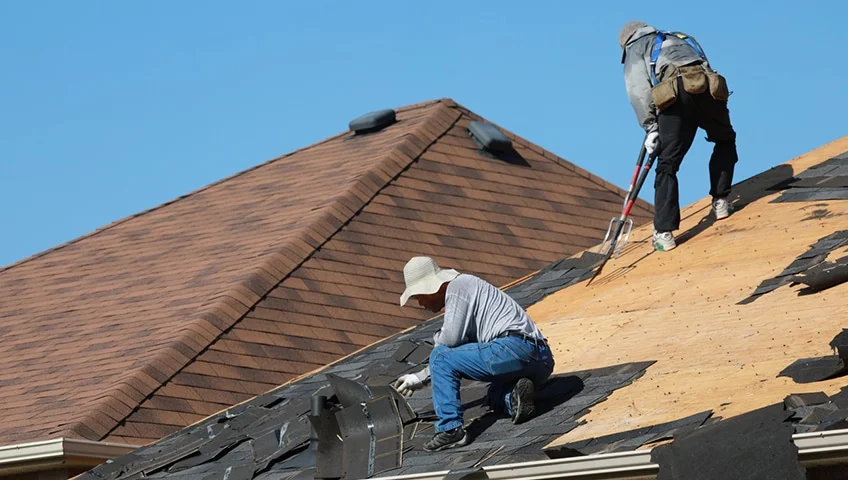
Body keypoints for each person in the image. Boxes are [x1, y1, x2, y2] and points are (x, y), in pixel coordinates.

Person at [393, 256, 555, 452]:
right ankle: (514, 400)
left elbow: (449, 342)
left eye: (418, 296)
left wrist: (419, 376)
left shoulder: (458, 286)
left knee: (440, 355)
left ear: (431, 287)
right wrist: (421, 378)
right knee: (494, 395)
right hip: (540, 359)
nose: (419, 303)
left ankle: (451, 430)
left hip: (513, 347)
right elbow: (458, 347)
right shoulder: (470, 296)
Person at [619, 21, 739, 252]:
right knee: (725, 139)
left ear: (626, 42)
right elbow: (706, 65)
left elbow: (638, 92)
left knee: (667, 164)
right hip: (705, 88)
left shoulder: (636, 47)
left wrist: (651, 126)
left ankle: (664, 233)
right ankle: (721, 201)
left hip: (676, 96)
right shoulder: (681, 37)